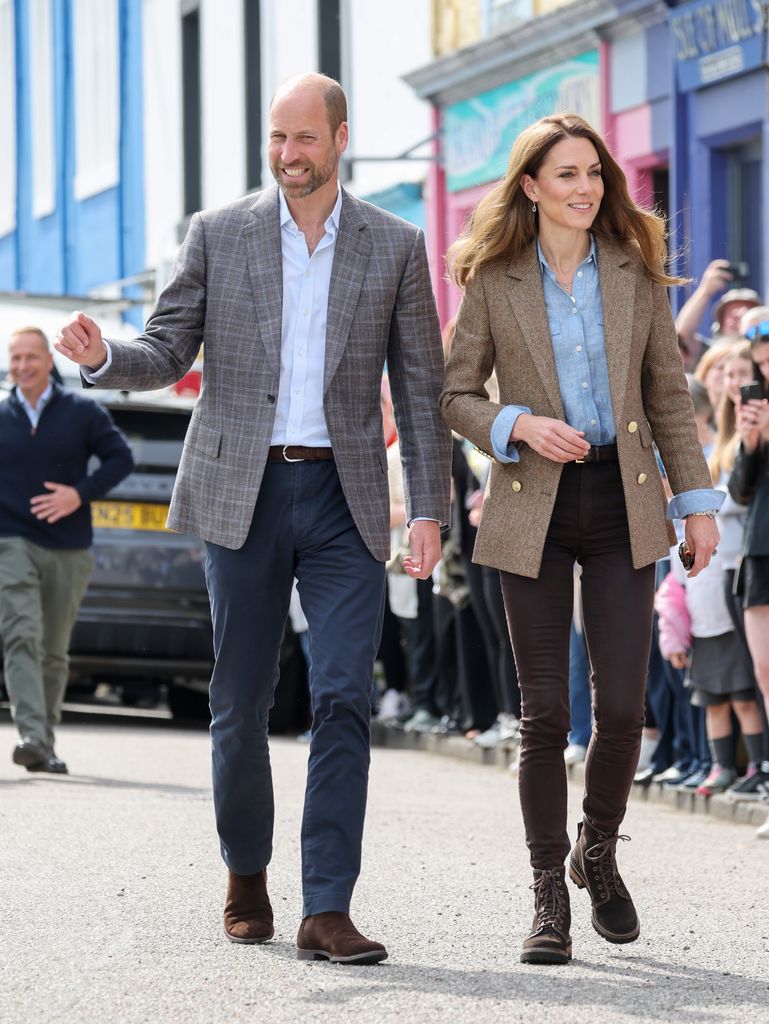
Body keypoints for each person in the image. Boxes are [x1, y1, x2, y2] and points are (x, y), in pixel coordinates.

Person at [55, 73, 451, 963]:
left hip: (345, 496)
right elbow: (166, 348)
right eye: (276, 139)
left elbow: (421, 390)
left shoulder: (393, 246)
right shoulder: (221, 233)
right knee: (239, 698)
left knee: (346, 693)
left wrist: (426, 507)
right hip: (243, 490)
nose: (286, 155)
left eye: (302, 139)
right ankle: (244, 872)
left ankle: (327, 906)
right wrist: (102, 357)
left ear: (340, 138)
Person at [440, 112, 722, 965]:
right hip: (531, 499)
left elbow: (669, 398)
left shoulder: (634, 273)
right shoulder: (494, 278)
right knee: (542, 714)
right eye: (566, 174)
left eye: (593, 173)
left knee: (624, 708)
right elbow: (455, 396)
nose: (585, 187)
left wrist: (696, 502)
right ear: (530, 185)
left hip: (623, 500)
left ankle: (593, 848)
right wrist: (519, 423)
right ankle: (544, 894)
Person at [0, 327, 133, 774]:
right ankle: (31, 733)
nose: (22, 366)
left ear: (48, 360)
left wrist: (78, 494)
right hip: (11, 540)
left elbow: (121, 457)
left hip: (69, 548)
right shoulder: (1, 415)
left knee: (54, 649)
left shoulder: (80, 411)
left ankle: (45, 742)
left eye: (30, 357)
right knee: (21, 633)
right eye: (15, 358)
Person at [728, 315, 769, 831]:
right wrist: (752, 443)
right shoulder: (755, 403)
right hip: (761, 545)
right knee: (764, 671)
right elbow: (739, 492)